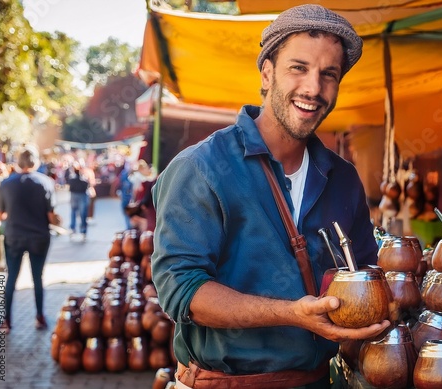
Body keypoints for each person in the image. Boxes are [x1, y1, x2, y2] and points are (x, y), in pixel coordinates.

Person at [151, 5, 390, 388]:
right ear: (266, 73)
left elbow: (364, 271)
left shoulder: (344, 179)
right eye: (299, 68)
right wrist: (292, 313)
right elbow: (182, 289)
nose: (313, 88)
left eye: (328, 74)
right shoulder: (201, 168)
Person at [0, 145, 59, 333]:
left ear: (17, 162)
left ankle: (5, 321)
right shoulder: (45, 182)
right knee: (37, 277)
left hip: (14, 236)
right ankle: (39, 317)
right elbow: (51, 216)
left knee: (11, 278)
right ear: (35, 162)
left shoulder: (6, 184)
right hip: (39, 237)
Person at [66, 161, 90, 240]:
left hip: (76, 195)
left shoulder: (75, 179)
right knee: (80, 213)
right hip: (79, 196)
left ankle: (76, 229)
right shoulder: (80, 179)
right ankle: (79, 229)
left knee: (77, 213)